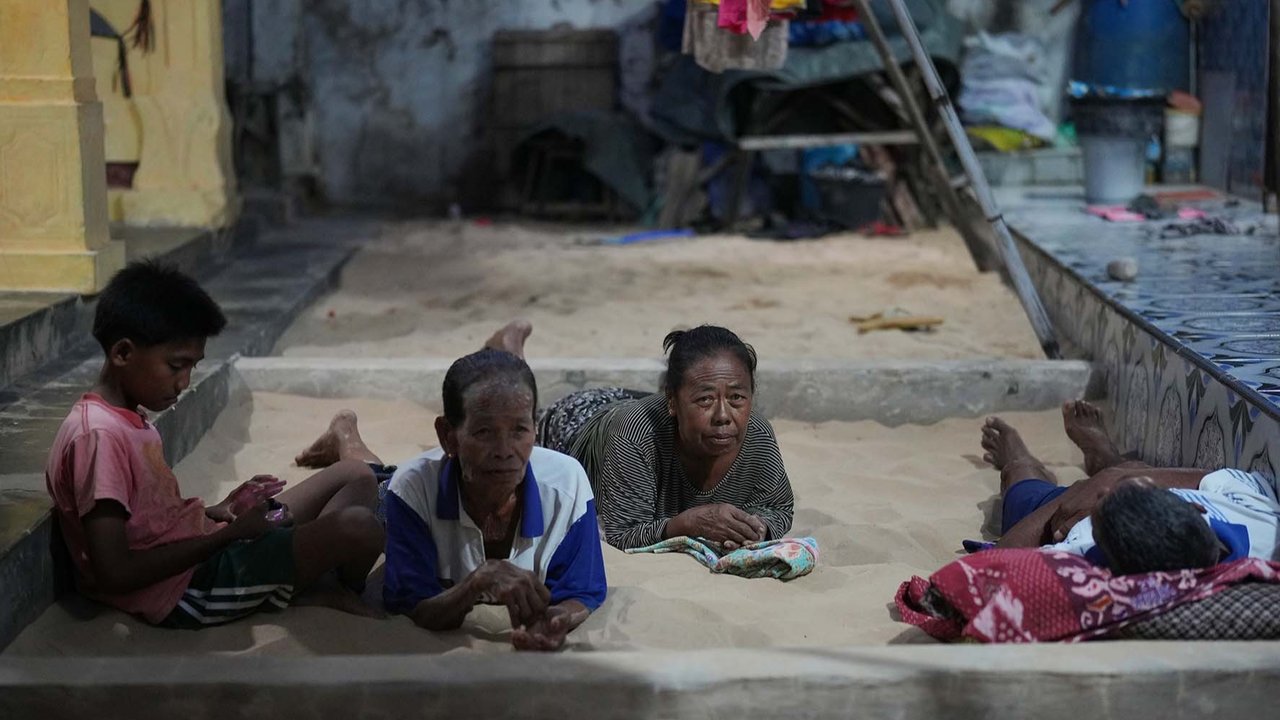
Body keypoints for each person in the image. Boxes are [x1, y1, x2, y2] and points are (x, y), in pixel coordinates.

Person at [45, 260, 385, 629]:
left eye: (192, 367)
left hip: (207, 545)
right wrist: (231, 537)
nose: (184, 382)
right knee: (360, 527)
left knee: (357, 475)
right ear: (123, 353)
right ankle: (317, 586)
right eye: (176, 366)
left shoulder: (124, 417)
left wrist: (218, 511)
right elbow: (115, 572)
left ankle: (302, 578)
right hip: (189, 588)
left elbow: (149, 523)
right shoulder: (100, 437)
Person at [295, 347, 607, 651]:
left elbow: (582, 591)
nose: (504, 450)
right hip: (394, 490)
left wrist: (557, 619)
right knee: (373, 476)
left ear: (535, 429)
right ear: (448, 436)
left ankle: (346, 434)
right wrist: (475, 585)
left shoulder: (567, 485)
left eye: (519, 430)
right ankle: (345, 435)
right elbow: (415, 607)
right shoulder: (411, 491)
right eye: (484, 432)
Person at [528, 322, 795, 551]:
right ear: (672, 401)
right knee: (529, 419)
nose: (723, 415)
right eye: (705, 400)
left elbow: (779, 507)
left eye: (737, 397)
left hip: (652, 408)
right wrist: (684, 525)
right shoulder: (634, 436)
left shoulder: (757, 434)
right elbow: (621, 534)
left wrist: (759, 529)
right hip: (583, 420)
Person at [979, 400, 1280, 574]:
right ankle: (1108, 461)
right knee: (1135, 472)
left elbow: (998, 562)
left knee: (1023, 490)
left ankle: (1020, 461)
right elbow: (1219, 476)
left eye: (1098, 510)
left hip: (1061, 513)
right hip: (1130, 487)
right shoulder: (1262, 523)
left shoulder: (1083, 550)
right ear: (1195, 507)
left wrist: (1075, 496)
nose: (1099, 495)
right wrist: (1114, 477)